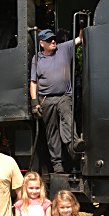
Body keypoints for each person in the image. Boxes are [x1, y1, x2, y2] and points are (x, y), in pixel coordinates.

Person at [30, 28, 84, 173]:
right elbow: (33, 81)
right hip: (46, 99)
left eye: (53, 38)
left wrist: (82, 27)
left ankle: (74, 145)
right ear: (42, 43)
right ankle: (57, 164)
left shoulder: (64, 48)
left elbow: (80, 39)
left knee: (67, 117)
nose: (53, 41)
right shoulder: (37, 59)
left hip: (64, 95)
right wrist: (34, 102)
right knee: (52, 132)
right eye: (49, 40)